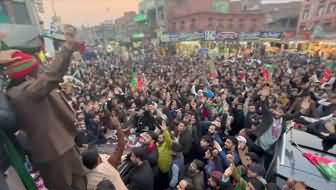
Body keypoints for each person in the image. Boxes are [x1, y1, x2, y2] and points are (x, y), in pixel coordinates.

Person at [5, 25, 87, 190]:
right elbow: (51, 75)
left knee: (81, 183)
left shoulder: (29, 86)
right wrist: (67, 46)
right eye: (37, 69)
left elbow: (48, 74)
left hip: (64, 146)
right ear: (28, 75)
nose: (41, 71)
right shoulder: (22, 93)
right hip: (53, 153)